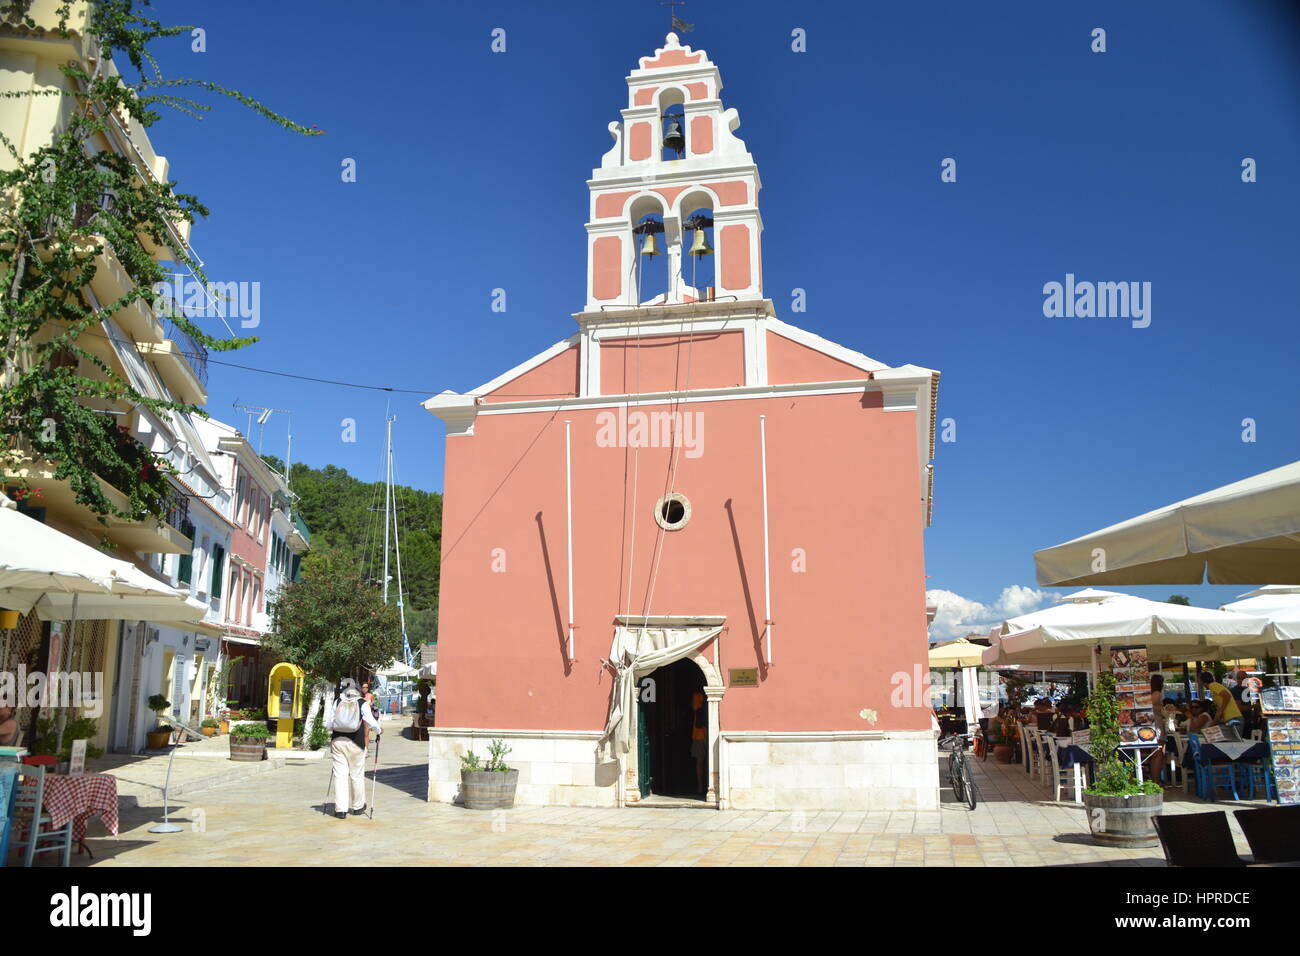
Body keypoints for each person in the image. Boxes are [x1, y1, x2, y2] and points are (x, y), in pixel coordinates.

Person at [329, 677, 382, 820]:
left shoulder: (337, 702)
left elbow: (328, 723)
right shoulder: (362, 703)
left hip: (337, 742)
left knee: (340, 775)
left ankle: (340, 810)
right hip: (356, 743)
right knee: (356, 775)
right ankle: (358, 806)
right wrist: (379, 731)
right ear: (357, 691)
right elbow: (371, 722)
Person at [690, 691, 708, 796]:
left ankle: (701, 786)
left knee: (700, 762)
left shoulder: (697, 695)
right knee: (702, 762)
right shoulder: (698, 695)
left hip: (699, 735)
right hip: (703, 734)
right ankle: (702, 785)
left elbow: (695, 710)